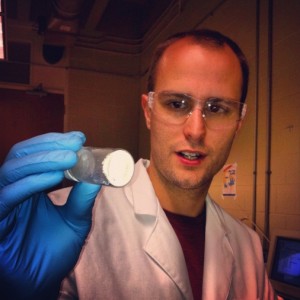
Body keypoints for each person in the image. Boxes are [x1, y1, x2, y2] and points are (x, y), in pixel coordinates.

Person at [0, 29, 279, 299]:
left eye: (217, 109)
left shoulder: (248, 246)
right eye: (177, 104)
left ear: (238, 123)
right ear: (148, 111)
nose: (195, 131)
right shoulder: (57, 223)